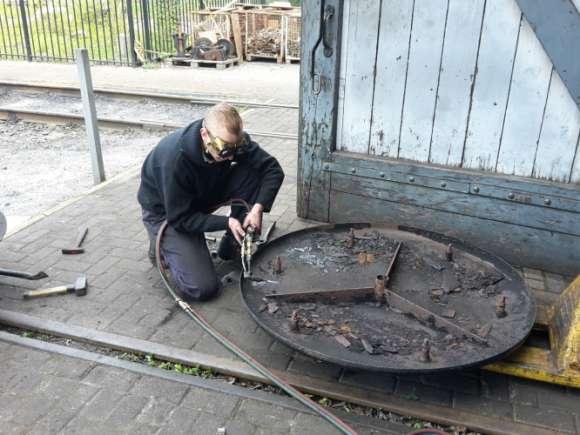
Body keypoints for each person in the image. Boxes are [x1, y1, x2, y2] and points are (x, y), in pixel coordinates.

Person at [137, 103, 284, 301]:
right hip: (168, 213)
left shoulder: (231, 142)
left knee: (254, 173)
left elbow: (272, 170)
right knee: (203, 288)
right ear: (205, 135)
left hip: (203, 192)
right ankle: (162, 247)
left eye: (235, 148)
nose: (230, 156)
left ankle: (233, 243)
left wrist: (257, 208)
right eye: (224, 149)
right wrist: (226, 222)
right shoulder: (173, 161)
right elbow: (181, 217)